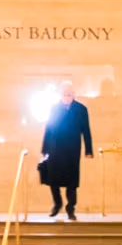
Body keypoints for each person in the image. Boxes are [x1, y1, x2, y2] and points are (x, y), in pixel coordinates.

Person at [38, 85, 95, 220]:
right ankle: (57, 204)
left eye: (69, 93)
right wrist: (44, 149)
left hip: (72, 149)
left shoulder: (81, 109)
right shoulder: (54, 108)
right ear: (60, 94)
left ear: (74, 94)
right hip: (55, 148)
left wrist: (88, 150)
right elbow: (49, 128)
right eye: (65, 93)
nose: (67, 95)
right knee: (53, 179)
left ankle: (70, 208)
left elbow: (86, 130)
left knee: (72, 181)